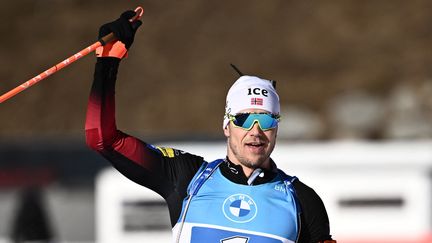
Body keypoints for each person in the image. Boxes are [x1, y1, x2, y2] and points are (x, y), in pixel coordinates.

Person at [85, 10, 336, 243]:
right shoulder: (186, 177)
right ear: (227, 125)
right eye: (244, 118)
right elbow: (102, 139)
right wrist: (108, 61)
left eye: (267, 119)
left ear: (277, 128)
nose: (256, 131)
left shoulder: (303, 200)